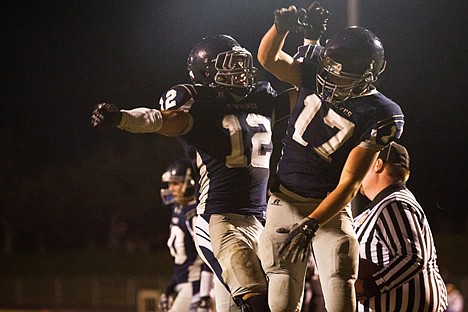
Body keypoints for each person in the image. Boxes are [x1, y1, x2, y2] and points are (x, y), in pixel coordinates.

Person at [91, 34, 293, 312]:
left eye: (240, 62)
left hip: (261, 218)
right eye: (230, 64)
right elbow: (161, 120)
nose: (241, 70)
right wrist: (121, 117)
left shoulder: (261, 98)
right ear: (207, 73)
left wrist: (313, 50)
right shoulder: (201, 104)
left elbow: (306, 96)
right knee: (257, 300)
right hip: (220, 218)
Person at [256, 3, 405, 311]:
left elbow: (350, 182)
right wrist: (280, 29)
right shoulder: (317, 64)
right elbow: (269, 59)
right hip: (284, 198)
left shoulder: (383, 113)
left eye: (343, 77)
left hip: (330, 207)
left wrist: (314, 222)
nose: (331, 82)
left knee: (340, 279)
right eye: (329, 73)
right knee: (281, 294)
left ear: (370, 75)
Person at [354, 142, 448, 311]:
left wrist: (369, 286)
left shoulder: (394, 203)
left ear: (378, 164)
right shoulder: (379, 208)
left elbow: (412, 256)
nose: (358, 168)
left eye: (364, 161)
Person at [157, 159, 214, 312]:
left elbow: (207, 255)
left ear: (190, 182)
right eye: (170, 184)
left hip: (196, 284)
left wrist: (203, 292)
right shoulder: (179, 209)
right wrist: (170, 288)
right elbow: (183, 262)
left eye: (176, 183)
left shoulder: (194, 213)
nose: (171, 188)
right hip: (184, 282)